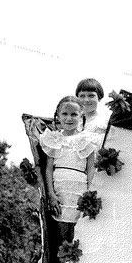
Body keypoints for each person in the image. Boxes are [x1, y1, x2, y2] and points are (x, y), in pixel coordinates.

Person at [28, 95, 98, 246]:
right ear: (58, 116)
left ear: (81, 115)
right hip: (60, 189)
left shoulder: (87, 139)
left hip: (79, 189)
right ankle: (62, 259)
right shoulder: (54, 139)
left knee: (78, 234)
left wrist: (89, 193)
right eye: (65, 114)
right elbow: (48, 169)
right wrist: (51, 194)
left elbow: (91, 168)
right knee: (61, 234)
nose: (69, 118)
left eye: (74, 114)